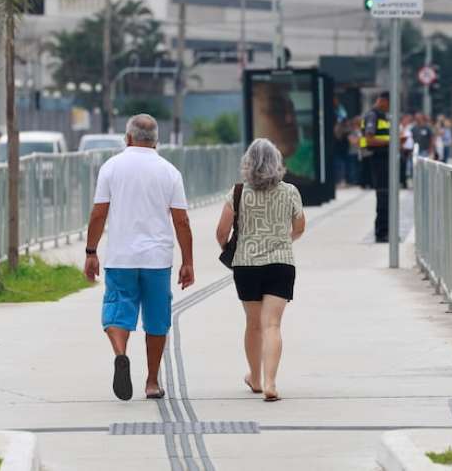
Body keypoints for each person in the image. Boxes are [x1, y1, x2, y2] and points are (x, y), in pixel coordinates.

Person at [83, 114, 195, 401]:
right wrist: (188, 261)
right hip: (157, 259)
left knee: (118, 310)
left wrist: (91, 251)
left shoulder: (111, 167)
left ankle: (121, 354)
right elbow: (181, 221)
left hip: (121, 257)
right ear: (156, 140)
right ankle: (152, 382)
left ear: (128, 138)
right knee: (157, 321)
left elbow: (98, 213)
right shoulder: (169, 172)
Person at [215, 139, 306, 402]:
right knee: (273, 325)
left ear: (248, 163)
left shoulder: (238, 193)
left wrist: (229, 246)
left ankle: (254, 377)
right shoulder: (290, 192)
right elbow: (299, 227)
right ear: (277, 162)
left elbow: (221, 232)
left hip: (246, 265)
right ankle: (270, 382)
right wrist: (282, 241)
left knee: (254, 324)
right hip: (281, 264)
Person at [363, 92, 391, 243]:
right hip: (378, 160)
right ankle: (381, 232)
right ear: (382, 101)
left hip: (383, 160)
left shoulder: (382, 116)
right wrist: (391, 141)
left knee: (386, 196)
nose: (388, 108)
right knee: (383, 196)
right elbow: (369, 138)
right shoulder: (373, 116)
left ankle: (385, 230)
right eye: (388, 104)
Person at [400, 114, 414, 189]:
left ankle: (406, 181)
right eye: (405, 120)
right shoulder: (400, 127)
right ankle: (403, 182)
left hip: (409, 149)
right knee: (403, 166)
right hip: (403, 150)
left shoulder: (409, 128)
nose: (406, 121)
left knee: (408, 166)